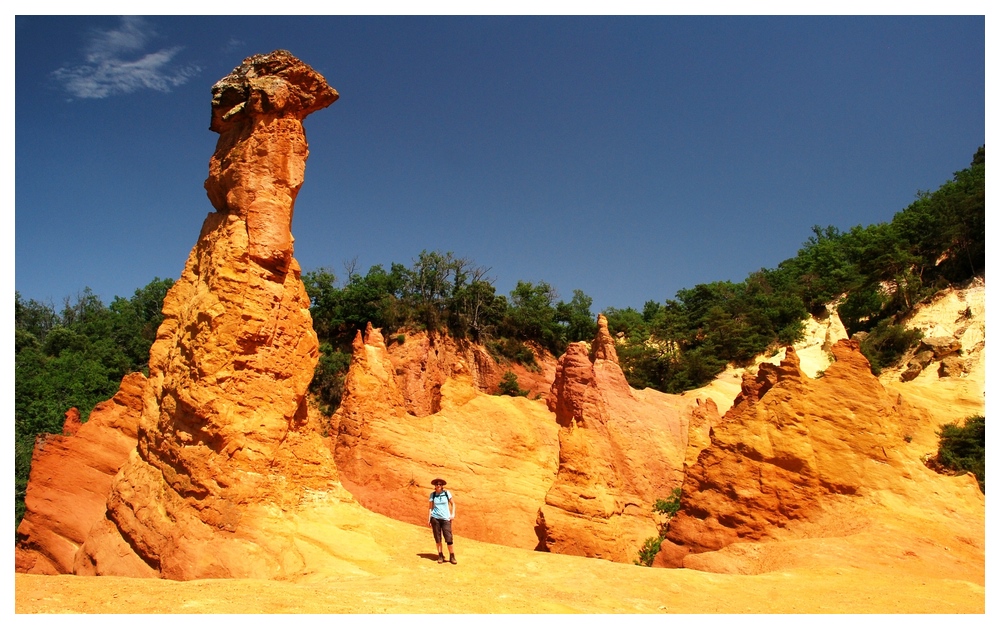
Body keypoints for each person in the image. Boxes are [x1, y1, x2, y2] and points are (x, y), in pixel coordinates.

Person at [428, 478, 456, 564]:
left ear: (442, 486)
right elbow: (430, 508)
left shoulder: (447, 493)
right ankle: (440, 555)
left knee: (449, 538)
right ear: (435, 486)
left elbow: (453, 504)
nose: (438, 486)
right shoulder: (432, 495)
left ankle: (452, 556)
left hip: (445, 519)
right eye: (437, 484)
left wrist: (452, 514)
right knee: (438, 538)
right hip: (435, 518)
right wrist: (429, 519)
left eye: (440, 484)